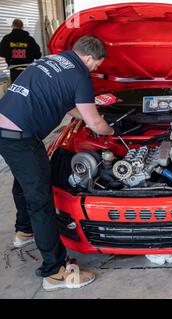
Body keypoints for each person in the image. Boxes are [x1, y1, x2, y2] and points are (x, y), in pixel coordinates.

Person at [0, 35, 115, 291]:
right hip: (22, 136)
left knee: (24, 181)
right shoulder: (79, 75)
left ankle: (23, 232)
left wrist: (89, 117)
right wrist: (110, 131)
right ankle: (54, 272)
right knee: (41, 200)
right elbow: (96, 124)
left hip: (4, 127)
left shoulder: (53, 60)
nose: (96, 70)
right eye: (97, 64)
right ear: (89, 58)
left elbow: (66, 104)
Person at [0, 19, 42, 83]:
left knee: (17, 89)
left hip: (14, 69)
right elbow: (38, 55)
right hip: (27, 69)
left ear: (12, 26)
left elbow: (1, 53)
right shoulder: (30, 39)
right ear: (22, 27)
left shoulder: (7, 38)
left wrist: (10, 54)